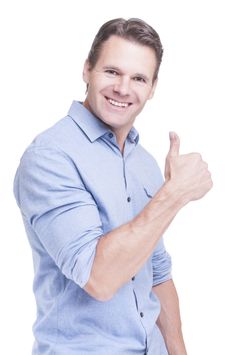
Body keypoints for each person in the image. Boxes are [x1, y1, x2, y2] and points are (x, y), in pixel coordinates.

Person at [13, 18, 212, 355]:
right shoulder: (49, 158)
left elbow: (158, 272)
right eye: (111, 72)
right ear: (87, 70)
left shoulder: (143, 161)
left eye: (138, 78)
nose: (123, 88)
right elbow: (99, 278)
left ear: (152, 88)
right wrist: (173, 194)